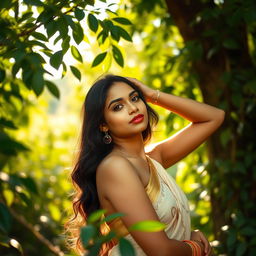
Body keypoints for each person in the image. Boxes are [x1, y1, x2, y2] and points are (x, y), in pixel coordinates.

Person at [66, 74, 225, 256]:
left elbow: (214, 117)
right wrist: (196, 247)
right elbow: (161, 252)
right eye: (118, 107)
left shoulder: (153, 158)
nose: (133, 108)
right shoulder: (114, 167)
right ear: (103, 125)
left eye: (135, 98)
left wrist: (151, 94)